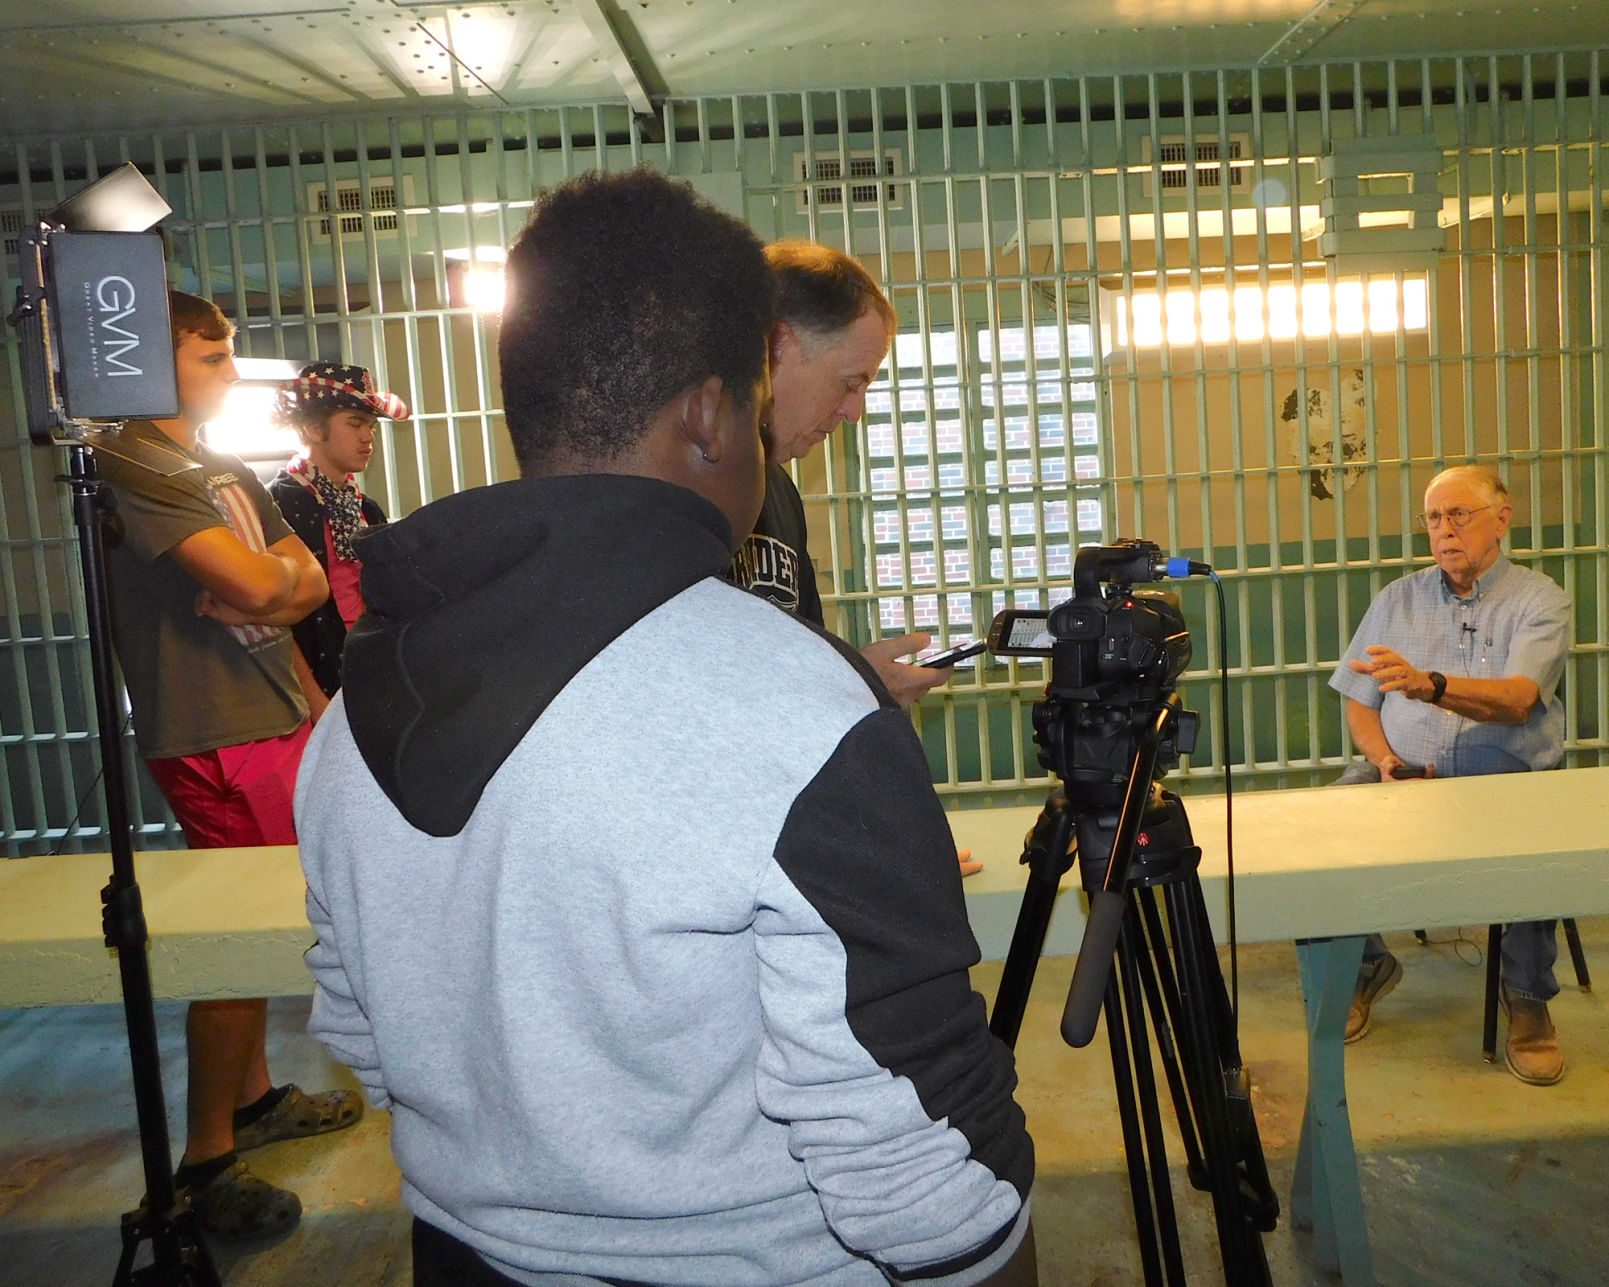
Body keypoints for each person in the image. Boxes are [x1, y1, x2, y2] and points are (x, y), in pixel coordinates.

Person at [295, 169, 1036, 1287]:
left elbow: (362, 1032)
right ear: (709, 413)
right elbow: (910, 1147)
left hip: (469, 1254)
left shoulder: (349, 720)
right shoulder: (794, 704)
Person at [96, 291, 362, 1239]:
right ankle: (205, 1159)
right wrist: (278, 586)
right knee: (234, 943)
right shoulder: (128, 462)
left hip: (272, 712)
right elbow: (261, 582)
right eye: (211, 356)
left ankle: (249, 1102)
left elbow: (303, 584)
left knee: (259, 923)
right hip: (212, 728)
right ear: (148, 361)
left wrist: (289, 610)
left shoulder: (211, 467)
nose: (228, 370)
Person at [1329, 464, 1571, 1084]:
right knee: (1325, 824)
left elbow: (1517, 699)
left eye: (1458, 514)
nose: (1444, 530)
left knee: (1543, 831)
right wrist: (1384, 760)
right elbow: (1359, 697)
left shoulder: (1539, 599)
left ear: (1502, 517)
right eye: (1434, 518)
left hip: (1509, 783)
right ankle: (1366, 967)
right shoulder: (1397, 599)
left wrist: (1429, 685)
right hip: (1407, 775)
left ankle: (1527, 996)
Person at [733, 239, 955, 712]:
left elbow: (793, 671)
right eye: (850, 383)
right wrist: (850, 689)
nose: (853, 412)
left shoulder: (781, 496)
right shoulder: (687, 493)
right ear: (778, 346)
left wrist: (853, 677)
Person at [267, 363, 409, 704]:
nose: (368, 437)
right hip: (315, 674)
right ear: (314, 428)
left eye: (372, 427)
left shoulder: (365, 505)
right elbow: (276, 619)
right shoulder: (278, 503)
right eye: (355, 423)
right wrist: (314, 701)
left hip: (370, 662)